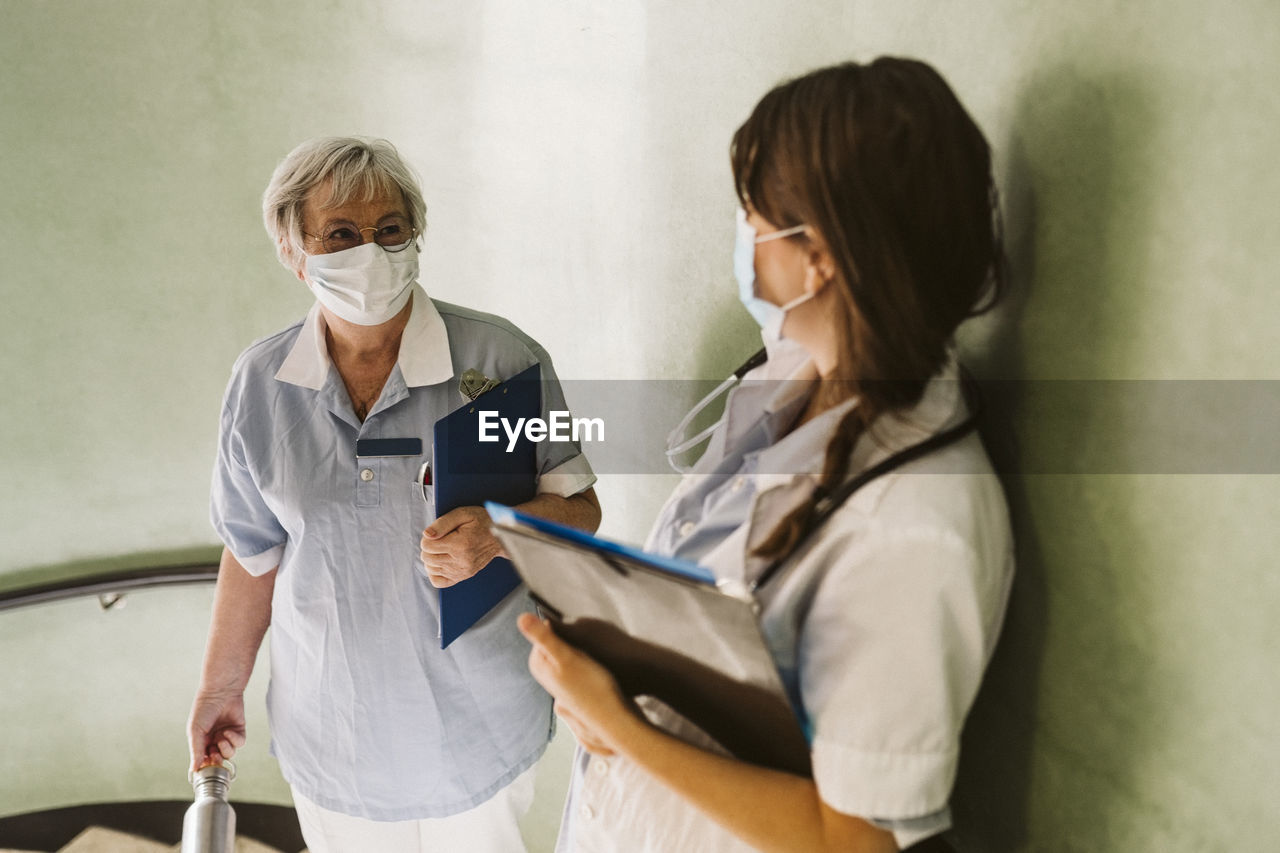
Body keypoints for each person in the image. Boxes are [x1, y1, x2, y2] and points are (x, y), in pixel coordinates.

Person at [518, 57, 1014, 852]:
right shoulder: (792, 372)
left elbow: (857, 840)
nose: (743, 235)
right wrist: (613, 694)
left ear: (819, 255)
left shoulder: (917, 522)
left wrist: (623, 724)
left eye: (752, 214)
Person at [187, 136, 601, 853]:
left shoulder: (500, 362)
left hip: (477, 725)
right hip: (332, 733)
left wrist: (503, 531)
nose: (371, 252)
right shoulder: (260, 384)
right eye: (341, 234)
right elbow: (252, 553)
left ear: (416, 236)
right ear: (294, 252)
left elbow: (581, 513)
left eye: (390, 230)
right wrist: (220, 689)